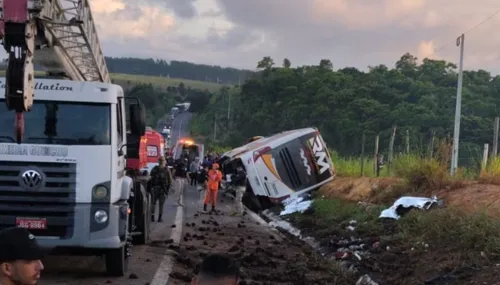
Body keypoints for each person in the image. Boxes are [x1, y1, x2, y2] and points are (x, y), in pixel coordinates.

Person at [149, 156, 172, 222]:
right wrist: (167, 189)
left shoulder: (154, 169)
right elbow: (170, 181)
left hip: (155, 188)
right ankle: (159, 218)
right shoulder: (167, 170)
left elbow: (150, 178)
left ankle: (152, 217)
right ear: (164, 161)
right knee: (161, 204)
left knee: (153, 203)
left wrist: (151, 187)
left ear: (158, 161)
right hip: (163, 189)